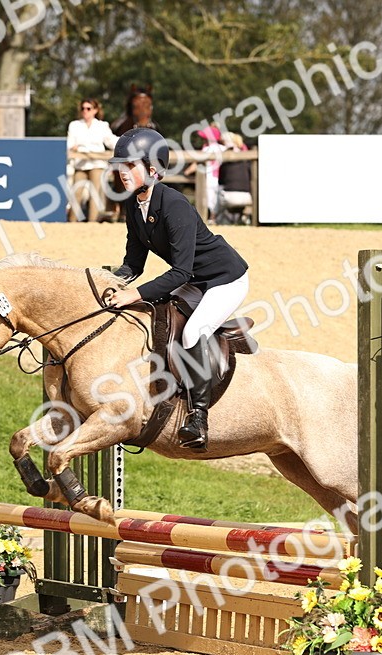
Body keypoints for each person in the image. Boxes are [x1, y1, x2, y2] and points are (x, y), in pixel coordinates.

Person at [105, 128, 251, 452]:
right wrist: (110, 283)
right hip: (195, 281)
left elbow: (181, 271)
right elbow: (133, 264)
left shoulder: (173, 204)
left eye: (130, 165)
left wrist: (135, 294)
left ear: (153, 169)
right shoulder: (133, 206)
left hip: (224, 278)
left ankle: (198, 417)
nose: (122, 171)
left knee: (193, 331)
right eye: (120, 165)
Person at [66, 97, 117, 222]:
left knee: (95, 194)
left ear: (95, 110)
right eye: (83, 108)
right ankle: (71, 221)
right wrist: (73, 147)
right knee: (76, 193)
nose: (85, 111)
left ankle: (92, 222)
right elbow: (70, 144)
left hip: (97, 164)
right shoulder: (75, 125)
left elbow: (111, 141)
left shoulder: (102, 126)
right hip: (80, 164)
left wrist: (127, 142)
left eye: (88, 108)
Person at [185, 125, 224, 220]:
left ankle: (211, 218)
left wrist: (187, 172)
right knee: (216, 201)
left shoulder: (206, 149)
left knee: (209, 200)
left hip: (210, 178)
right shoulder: (223, 148)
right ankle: (215, 218)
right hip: (221, 178)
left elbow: (196, 164)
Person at [214, 132, 252, 225]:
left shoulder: (226, 160)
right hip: (248, 197)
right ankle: (245, 218)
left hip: (229, 196)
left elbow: (221, 181)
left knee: (217, 191)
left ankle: (214, 218)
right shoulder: (247, 158)